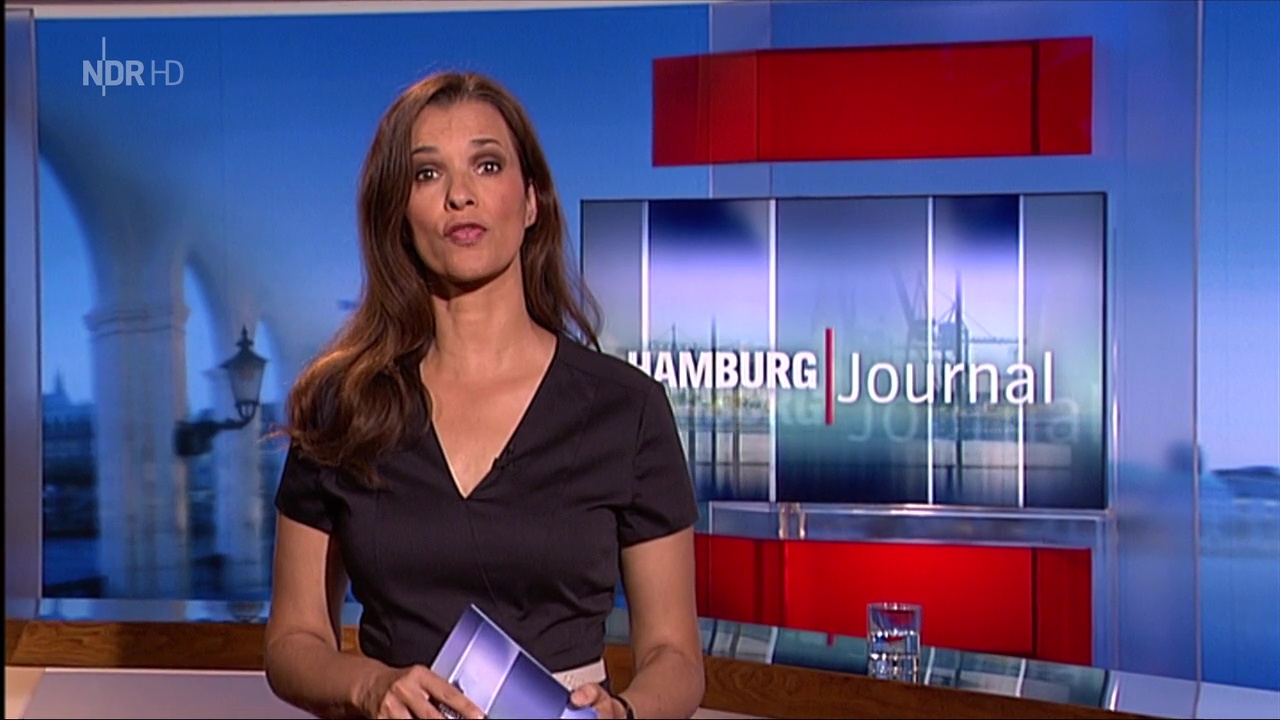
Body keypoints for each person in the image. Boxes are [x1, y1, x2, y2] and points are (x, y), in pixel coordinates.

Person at [263, 70, 705, 720]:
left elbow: (676, 655)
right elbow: (292, 642)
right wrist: (372, 686)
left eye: (488, 165)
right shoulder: (342, 407)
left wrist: (625, 713)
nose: (460, 195)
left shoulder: (626, 410)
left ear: (531, 202)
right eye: (427, 174)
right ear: (398, 215)